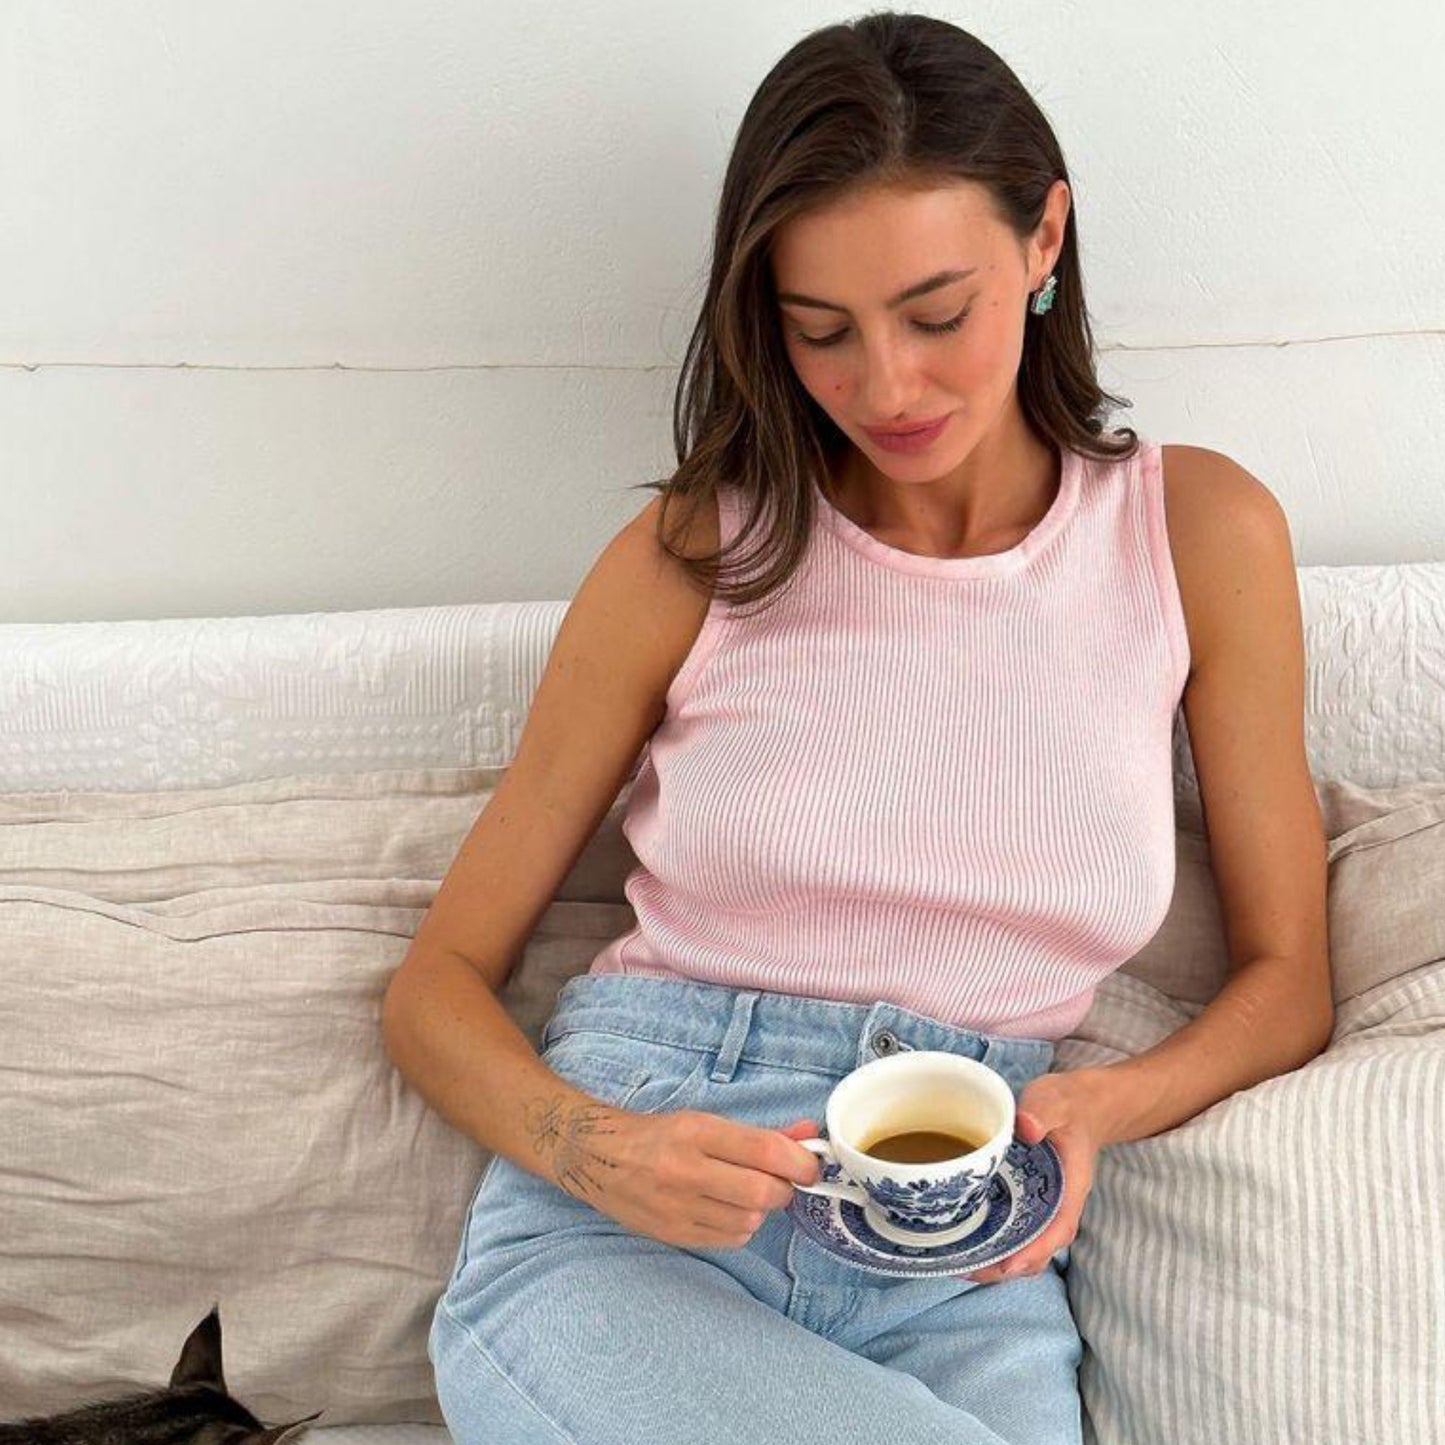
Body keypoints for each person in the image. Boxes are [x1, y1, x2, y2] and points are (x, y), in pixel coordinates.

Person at [381, 12, 1333, 1444]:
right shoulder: (698, 550)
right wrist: (598, 1150)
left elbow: (1288, 980)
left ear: (1043, 239)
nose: (884, 387)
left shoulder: (1195, 535)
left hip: (967, 1239)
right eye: (818, 331)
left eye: (934, 314)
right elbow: (435, 984)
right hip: (640, 1206)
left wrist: (1099, 1106)